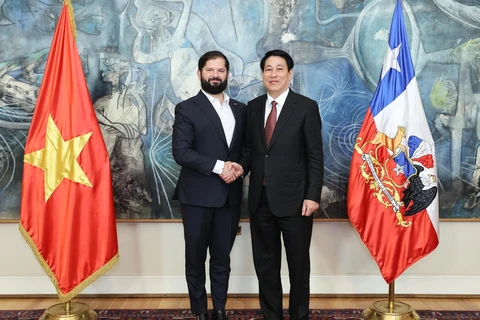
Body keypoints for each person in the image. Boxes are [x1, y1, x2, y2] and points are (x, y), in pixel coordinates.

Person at [231, 49, 324, 320]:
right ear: (262, 75)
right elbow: (251, 149)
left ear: (290, 73)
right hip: (261, 201)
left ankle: (299, 316)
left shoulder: (306, 107)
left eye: (279, 69)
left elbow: (315, 156)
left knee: (298, 266)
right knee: (266, 265)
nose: (273, 74)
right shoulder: (254, 106)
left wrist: (312, 195)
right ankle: (271, 315)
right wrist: (241, 166)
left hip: (297, 202)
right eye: (268, 69)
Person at [171, 51, 247, 320]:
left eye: (221, 70)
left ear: (228, 74)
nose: (215, 75)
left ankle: (221, 310)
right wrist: (220, 167)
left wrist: (239, 168)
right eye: (210, 70)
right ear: (199, 73)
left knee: (222, 259)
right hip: (197, 197)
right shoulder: (187, 108)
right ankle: (200, 312)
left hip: (229, 196)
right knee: (195, 259)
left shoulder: (241, 109)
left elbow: (247, 149)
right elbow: (181, 152)